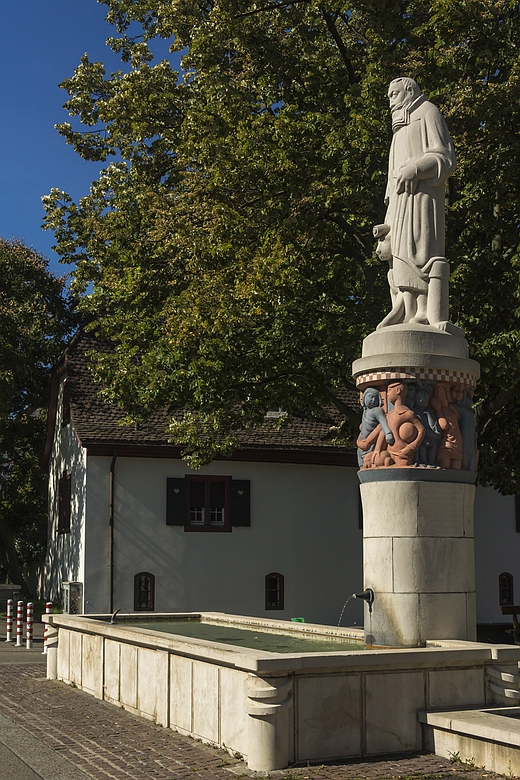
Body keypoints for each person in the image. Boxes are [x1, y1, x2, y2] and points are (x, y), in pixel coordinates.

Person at [375, 77, 457, 329]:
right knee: (398, 254)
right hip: (399, 205)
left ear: (409, 91)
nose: (390, 101)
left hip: (422, 199)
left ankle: (424, 311)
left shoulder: (428, 112)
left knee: (422, 250)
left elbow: (446, 158)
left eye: (393, 94)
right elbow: (391, 180)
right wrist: (387, 223)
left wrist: (416, 168)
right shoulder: (398, 130)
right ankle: (405, 307)